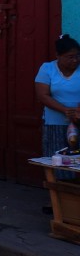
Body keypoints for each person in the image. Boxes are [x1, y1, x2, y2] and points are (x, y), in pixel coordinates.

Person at [35, 34, 80, 182]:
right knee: (57, 161)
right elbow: (43, 95)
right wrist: (65, 110)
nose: (75, 60)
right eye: (70, 57)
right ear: (58, 56)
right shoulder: (47, 69)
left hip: (78, 121)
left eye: (77, 56)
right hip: (55, 123)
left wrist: (77, 110)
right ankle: (56, 200)